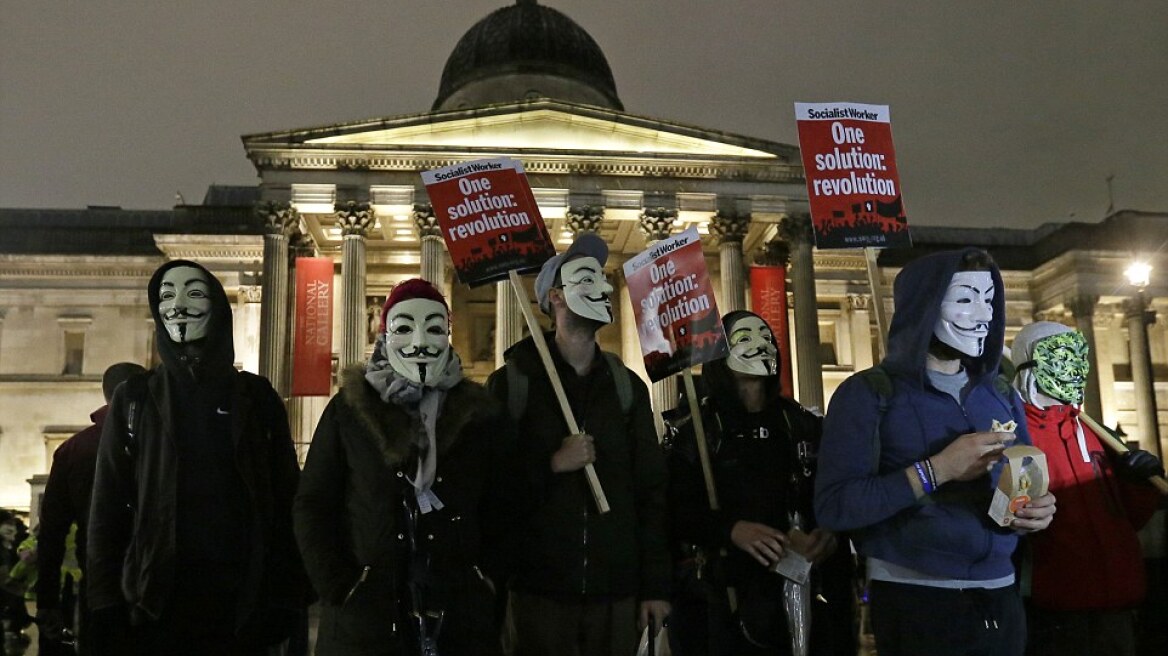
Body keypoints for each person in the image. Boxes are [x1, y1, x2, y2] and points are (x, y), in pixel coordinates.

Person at [814, 247, 1057, 656]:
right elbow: (836, 506)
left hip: (1001, 597)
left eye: (989, 299)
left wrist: (1033, 512)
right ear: (923, 306)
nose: (984, 315)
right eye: (965, 299)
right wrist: (936, 469)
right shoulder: (866, 394)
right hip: (916, 603)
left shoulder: (1000, 393)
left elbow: (1017, 488)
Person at [87, 259, 307, 656]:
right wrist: (105, 603)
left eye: (194, 292)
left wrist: (288, 595)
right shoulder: (134, 398)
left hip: (242, 603)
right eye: (166, 296)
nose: (177, 305)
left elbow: (287, 498)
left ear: (219, 308)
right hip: (157, 601)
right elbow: (107, 509)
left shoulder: (257, 397)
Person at [294, 278, 517, 656]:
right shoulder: (348, 410)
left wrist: (487, 578)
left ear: (448, 334)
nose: (419, 342)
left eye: (434, 328)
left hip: (459, 619)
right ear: (383, 335)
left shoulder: (479, 415)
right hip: (366, 621)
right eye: (403, 328)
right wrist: (340, 585)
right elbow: (313, 504)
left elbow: (502, 505)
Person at [486, 233, 671, 656]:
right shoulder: (511, 385)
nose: (606, 289)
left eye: (605, 280)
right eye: (587, 279)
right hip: (538, 591)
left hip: (616, 591)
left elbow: (651, 492)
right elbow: (492, 489)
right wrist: (552, 463)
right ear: (555, 297)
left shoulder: (628, 388)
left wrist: (655, 585)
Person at [667, 310, 855, 656]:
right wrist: (731, 529)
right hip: (725, 600)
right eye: (745, 338)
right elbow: (675, 511)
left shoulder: (801, 424)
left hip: (803, 597)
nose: (760, 345)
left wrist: (828, 534)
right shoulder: (697, 432)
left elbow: (833, 494)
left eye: (767, 337)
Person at [1010, 321, 1163, 656]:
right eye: (1060, 356)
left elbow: (1125, 517)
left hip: (1117, 604)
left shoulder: (1096, 433)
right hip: (1057, 611)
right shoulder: (1017, 436)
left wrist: (1141, 483)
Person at [36, 361, 146, 654]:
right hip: (159, 587)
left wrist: (47, 600)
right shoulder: (166, 442)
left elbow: (51, 533)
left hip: (100, 584)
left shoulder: (74, 449)